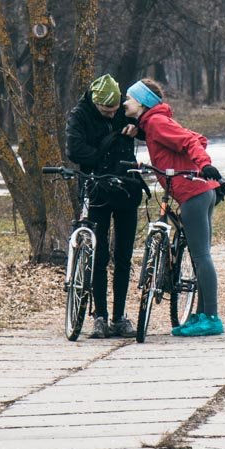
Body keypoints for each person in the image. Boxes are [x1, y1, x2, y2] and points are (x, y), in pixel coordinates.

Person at [123, 77, 225, 337]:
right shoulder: (153, 124)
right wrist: (142, 134)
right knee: (199, 254)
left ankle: (211, 318)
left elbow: (191, 142)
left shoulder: (156, 123)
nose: (125, 102)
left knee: (201, 256)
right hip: (199, 192)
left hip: (194, 193)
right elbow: (197, 138)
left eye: (129, 98)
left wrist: (204, 165)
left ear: (143, 102)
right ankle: (201, 315)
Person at [65, 74, 142, 339]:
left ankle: (120, 317)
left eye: (115, 110)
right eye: (106, 111)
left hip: (126, 187)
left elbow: (147, 124)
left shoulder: (125, 109)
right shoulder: (80, 115)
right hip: (96, 187)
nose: (112, 114)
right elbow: (74, 149)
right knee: (99, 256)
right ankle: (100, 316)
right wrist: (105, 152)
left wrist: (136, 129)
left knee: (123, 256)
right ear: (95, 103)